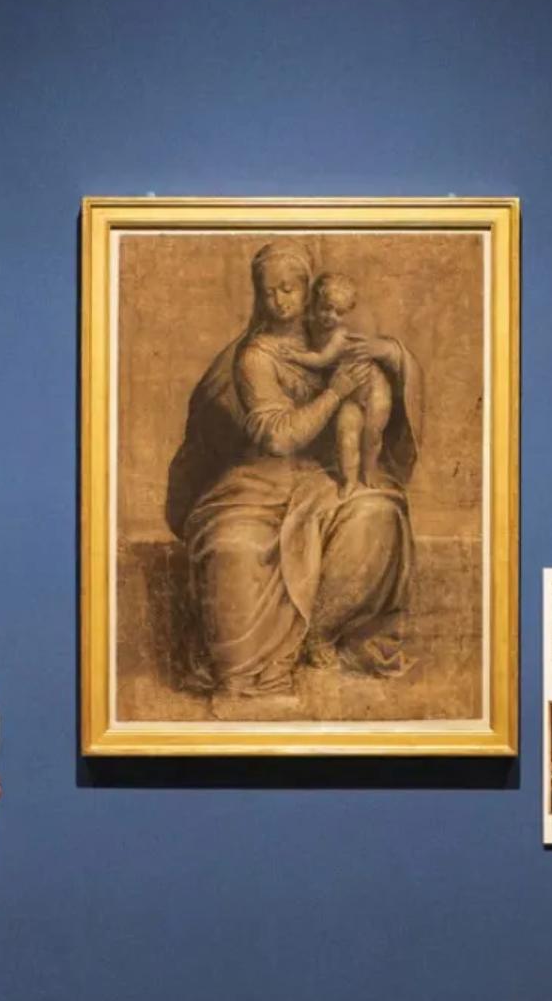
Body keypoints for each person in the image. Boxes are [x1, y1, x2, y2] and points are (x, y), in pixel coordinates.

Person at [164, 242, 425, 697]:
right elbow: (279, 438)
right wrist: (335, 392)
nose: (279, 300)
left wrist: (394, 355)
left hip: (326, 475)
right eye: (268, 292)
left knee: (377, 514)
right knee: (235, 547)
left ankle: (322, 635)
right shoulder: (255, 357)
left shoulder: (329, 334)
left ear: (308, 289)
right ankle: (261, 664)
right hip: (256, 485)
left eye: (289, 289)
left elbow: (381, 371)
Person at [274, 272, 394, 496]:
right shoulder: (310, 327)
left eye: (339, 312)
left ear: (346, 312)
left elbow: (321, 360)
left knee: (372, 436)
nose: (331, 316)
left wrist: (294, 356)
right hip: (350, 395)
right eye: (326, 308)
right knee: (346, 437)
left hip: (374, 390)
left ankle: (369, 472)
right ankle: (349, 481)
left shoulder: (339, 335)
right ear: (316, 304)